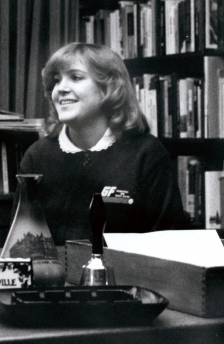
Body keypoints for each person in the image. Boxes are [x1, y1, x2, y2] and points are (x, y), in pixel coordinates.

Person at [19, 42, 190, 245]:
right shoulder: (36, 156)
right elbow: (21, 243)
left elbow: (167, 241)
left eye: (76, 77)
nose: (61, 89)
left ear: (108, 89)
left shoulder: (147, 154)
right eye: (56, 81)